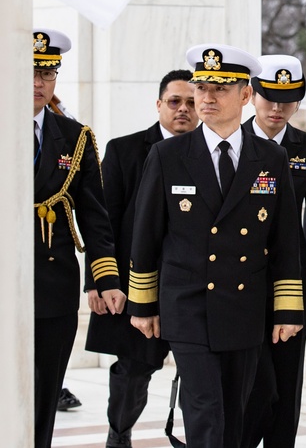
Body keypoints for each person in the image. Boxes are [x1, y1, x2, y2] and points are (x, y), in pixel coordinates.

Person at [128, 43, 304, 448]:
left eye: (219, 89)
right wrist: (143, 304)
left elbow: (283, 242)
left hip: (245, 307)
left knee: (237, 413)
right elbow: (147, 234)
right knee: (205, 411)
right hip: (188, 305)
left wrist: (288, 308)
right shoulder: (168, 155)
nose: (205, 97)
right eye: (202, 87)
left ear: (245, 95)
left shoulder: (271, 158)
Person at [84, 69, 199, 448]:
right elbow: (103, 221)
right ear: (159, 105)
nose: (183, 109)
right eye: (174, 102)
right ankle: (119, 434)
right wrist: (100, 281)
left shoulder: (214, 151)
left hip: (194, 289)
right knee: (133, 372)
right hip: (138, 286)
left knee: (201, 376)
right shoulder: (125, 150)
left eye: (190, 102)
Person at [31, 28, 126, 448]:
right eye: (29, 71)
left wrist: (104, 278)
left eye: (47, 73)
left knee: (44, 389)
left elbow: (94, 215)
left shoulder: (75, 136)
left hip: (53, 285)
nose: (38, 82)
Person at [240, 54, 306, 448]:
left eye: (288, 99)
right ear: (251, 95)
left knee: (287, 378)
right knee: (250, 379)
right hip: (237, 278)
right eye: (269, 98)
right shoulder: (231, 140)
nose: (277, 109)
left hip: (289, 280)